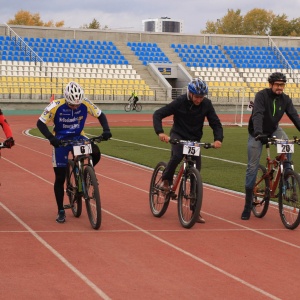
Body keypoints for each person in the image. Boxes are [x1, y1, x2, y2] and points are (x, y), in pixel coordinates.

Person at [37, 81, 112, 224]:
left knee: (95, 151)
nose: (76, 106)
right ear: (66, 98)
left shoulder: (85, 103)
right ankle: (60, 210)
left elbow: (100, 115)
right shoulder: (55, 105)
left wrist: (106, 130)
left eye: (77, 104)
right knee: (60, 177)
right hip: (61, 140)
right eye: (72, 104)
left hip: (78, 138)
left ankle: (86, 173)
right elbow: (40, 123)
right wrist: (51, 138)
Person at [153, 78, 223, 224]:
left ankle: (194, 211)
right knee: (177, 155)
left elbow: (215, 122)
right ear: (190, 93)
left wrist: (218, 139)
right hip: (178, 135)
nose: (199, 100)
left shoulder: (206, 104)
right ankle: (166, 180)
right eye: (196, 96)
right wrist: (160, 132)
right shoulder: (180, 101)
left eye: (201, 97)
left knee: (196, 173)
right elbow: (158, 114)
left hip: (194, 140)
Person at [242, 72, 300, 220]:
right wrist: (259, 133)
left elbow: (294, 116)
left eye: (282, 85)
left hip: (274, 129)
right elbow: (258, 114)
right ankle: (248, 205)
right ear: (271, 84)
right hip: (257, 132)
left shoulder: (285, 99)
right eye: (277, 85)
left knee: (287, 143)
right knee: (252, 166)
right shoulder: (262, 96)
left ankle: (287, 175)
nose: (280, 88)